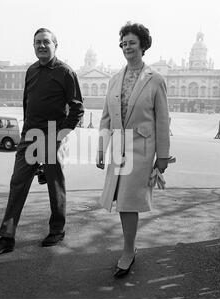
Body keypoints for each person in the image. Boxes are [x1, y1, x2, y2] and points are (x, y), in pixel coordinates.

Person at [0, 28, 84, 254]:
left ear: (55, 45)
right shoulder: (31, 70)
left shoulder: (66, 72)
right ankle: (6, 237)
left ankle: (57, 230)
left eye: (46, 42)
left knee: (54, 184)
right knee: (17, 183)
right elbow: (27, 103)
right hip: (29, 136)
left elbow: (78, 109)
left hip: (52, 134)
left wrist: (59, 136)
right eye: (37, 42)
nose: (41, 45)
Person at [96, 22, 171, 278]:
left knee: (128, 203)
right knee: (122, 202)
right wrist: (100, 149)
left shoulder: (155, 79)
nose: (127, 47)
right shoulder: (115, 79)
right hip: (118, 149)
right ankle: (130, 247)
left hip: (141, 150)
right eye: (123, 43)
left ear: (143, 45)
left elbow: (163, 120)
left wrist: (162, 158)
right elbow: (106, 117)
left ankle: (128, 251)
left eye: (132, 42)